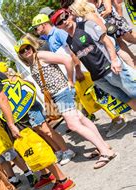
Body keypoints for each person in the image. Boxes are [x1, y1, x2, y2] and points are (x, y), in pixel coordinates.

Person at [0, 60, 76, 190]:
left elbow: (2, 99)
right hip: (17, 116)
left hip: (18, 118)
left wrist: (11, 123)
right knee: (28, 150)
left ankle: (62, 180)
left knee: (35, 148)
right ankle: (46, 174)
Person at [15, 34, 117, 168]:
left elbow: (67, 60)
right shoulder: (33, 62)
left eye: (27, 47)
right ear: (20, 55)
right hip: (57, 95)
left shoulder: (40, 55)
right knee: (81, 119)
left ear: (31, 47)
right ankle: (103, 146)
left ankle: (105, 152)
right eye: (22, 51)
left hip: (62, 93)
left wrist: (70, 81)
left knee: (73, 125)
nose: (26, 51)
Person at [31, 11, 128, 136]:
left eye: (36, 28)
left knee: (99, 97)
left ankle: (118, 119)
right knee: (91, 99)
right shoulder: (50, 38)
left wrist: (77, 70)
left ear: (43, 24)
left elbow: (71, 51)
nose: (35, 31)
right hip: (74, 74)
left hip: (80, 71)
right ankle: (110, 119)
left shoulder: (58, 32)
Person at [51, 8, 136, 111]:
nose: (65, 21)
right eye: (60, 22)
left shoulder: (86, 25)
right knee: (124, 98)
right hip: (98, 78)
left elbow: (106, 41)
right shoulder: (69, 41)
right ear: (58, 27)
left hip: (110, 68)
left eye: (65, 17)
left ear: (70, 15)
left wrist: (114, 60)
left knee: (133, 91)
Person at [67, 0, 135, 67]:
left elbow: (104, 25)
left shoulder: (89, 15)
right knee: (121, 49)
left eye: (72, 11)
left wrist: (100, 37)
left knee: (127, 43)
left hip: (111, 31)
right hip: (106, 35)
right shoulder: (85, 14)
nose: (71, 13)